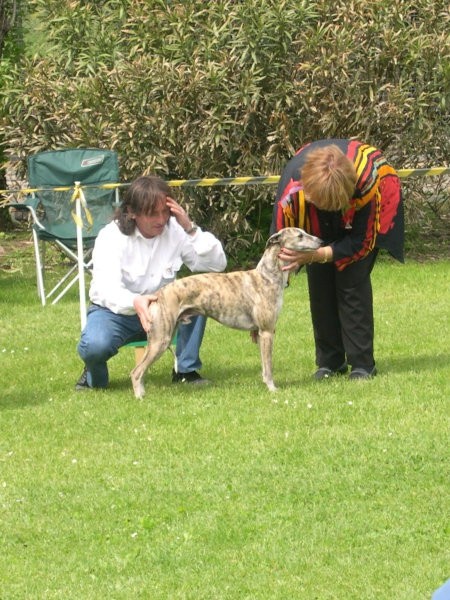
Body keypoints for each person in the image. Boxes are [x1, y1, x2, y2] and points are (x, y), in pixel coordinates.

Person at [76, 175, 227, 390]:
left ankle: (186, 371)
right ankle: (94, 377)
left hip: (166, 312)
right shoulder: (110, 237)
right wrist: (136, 301)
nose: (161, 219)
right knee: (94, 346)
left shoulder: (176, 230)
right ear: (132, 212)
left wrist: (190, 228)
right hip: (117, 314)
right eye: (152, 213)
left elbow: (216, 265)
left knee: (199, 293)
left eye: (165, 212)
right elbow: (106, 288)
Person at [271, 139, 404, 380]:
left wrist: (319, 254)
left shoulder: (367, 180)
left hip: (372, 202)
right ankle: (330, 362)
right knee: (320, 283)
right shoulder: (291, 186)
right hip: (314, 204)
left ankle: (363, 364)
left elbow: (361, 242)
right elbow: (279, 241)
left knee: (351, 282)